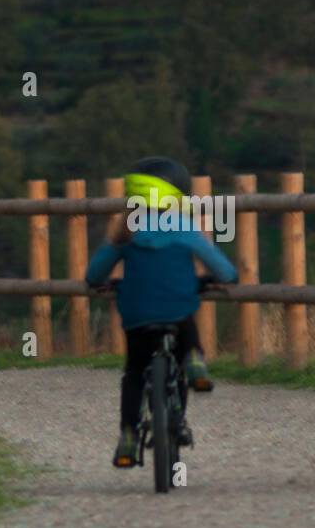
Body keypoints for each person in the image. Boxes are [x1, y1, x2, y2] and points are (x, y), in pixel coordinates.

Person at [85, 156, 237, 468]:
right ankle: (193, 359)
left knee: (134, 374)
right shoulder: (183, 227)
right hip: (178, 310)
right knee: (183, 320)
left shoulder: (126, 230)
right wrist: (223, 279)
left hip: (137, 315)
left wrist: (104, 283)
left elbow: (94, 274)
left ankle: (128, 437)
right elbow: (223, 269)